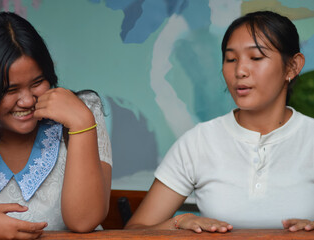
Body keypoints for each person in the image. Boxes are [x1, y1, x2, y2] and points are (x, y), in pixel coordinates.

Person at [125, 11, 314, 233]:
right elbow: (134, 231)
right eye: (231, 59)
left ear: (292, 67)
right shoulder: (198, 142)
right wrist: (179, 222)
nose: (240, 71)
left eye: (256, 58)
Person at [0, 12, 112, 239]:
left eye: (37, 82)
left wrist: (82, 123)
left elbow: (83, 221)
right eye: (9, 90)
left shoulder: (83, 111)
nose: (27, 101)